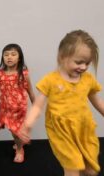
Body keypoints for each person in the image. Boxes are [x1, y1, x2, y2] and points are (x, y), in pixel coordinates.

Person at [18, 30, 104, 176]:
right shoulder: (51, 80)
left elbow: (97, 101)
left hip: (84, 128)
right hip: (61, 131)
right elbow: (38, 105)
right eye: (79, 62)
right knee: (72, 165)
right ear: (62, 57)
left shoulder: (87, 80)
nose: (83, 67)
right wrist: (27, 125)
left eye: (87, 63)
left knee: (89, 169)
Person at [0, 43, 35, 163]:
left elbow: (30, 90)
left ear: (19, 57)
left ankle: (19, 149)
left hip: (19, 108)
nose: (9, 57)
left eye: (13, 54)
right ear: (2, 57)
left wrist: (35, 105)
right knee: (13, 130)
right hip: (5, 108)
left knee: (15, 131)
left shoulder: (23, 74)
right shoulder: (0, 74)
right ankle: (20, 141)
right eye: (6, 54)